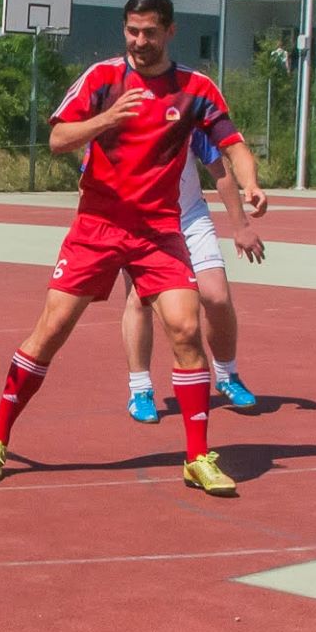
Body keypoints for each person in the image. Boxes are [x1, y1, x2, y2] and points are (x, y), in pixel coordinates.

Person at [0, 0, 266, 497]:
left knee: (187, 329)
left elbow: (231, 144)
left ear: (170, 31)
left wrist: (251, 183)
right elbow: (59, 139)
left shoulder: (195, 88)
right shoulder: (103, 78)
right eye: (132, 31)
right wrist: (107, 119)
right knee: (51, 331)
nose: (139, 41)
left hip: (159, 232)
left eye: (150, 32)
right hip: (97, 228)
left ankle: (197, 456)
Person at [120, 130, 265, 422]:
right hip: (140, 222)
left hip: (190, 218)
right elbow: (89, 178)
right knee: (139, 300)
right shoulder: (119, 114)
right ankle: (140, 389)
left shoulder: (187, 115)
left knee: (217, 296)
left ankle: (226, 374)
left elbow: (220, 170)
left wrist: (240, 226)